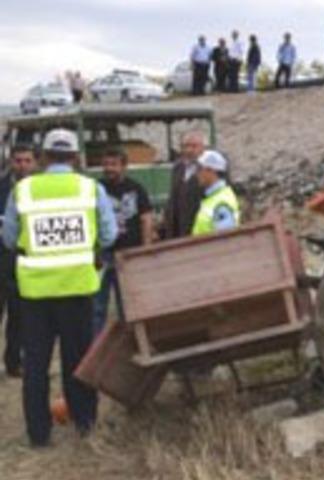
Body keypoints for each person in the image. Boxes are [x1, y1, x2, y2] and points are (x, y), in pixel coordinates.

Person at [2, 129, 117, 447]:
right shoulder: (90, 189)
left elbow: (10, 239)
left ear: (43, 157)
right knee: (77, 360)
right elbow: (108, 235)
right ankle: (84, 424)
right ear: (76, 157)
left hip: (35, 294)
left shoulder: (23, 191)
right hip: (78, 289)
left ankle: (39, 435)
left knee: (36, 366)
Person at [92, 147, 154, 335]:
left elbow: (146, 219)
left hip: (128, 255)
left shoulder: (136, 189)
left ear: (124, 166)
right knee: (97, 306)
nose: (109, 168)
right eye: (106, 164)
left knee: (128, 305)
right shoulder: (95, 189)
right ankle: (95, 347)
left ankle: (131, 342)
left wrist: (146, 249)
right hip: (102, 256)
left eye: (114, 164)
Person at [0, 144, 38, 378]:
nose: (22, 165)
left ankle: (14, 362)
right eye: (18, 160)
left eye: (27, 160)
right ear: (11, 162)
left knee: (18, 314)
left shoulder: (38, 189)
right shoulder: (2, 187)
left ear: (35, 163)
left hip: (22, 258)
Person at [163, 131, 206, 239]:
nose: (189, 150)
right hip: (177, 231)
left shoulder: (208, 170)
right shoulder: (177, 168)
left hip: (199, 229)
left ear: (202, 148)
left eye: (193, 146)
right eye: (185, 146)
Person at [192, 151, 241, 236]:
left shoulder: (222, 202)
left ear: (211, 171)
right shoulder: (213, 198)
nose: (197, 173)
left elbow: (223, 242)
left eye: (200, 169)